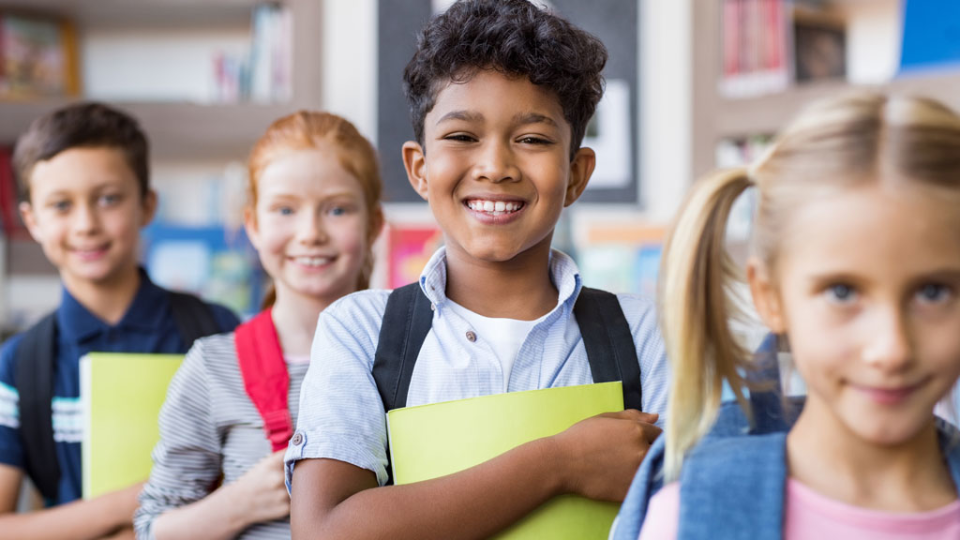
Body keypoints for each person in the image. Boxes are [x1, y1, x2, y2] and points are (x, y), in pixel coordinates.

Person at [286, 1, 669, 538]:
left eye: (532, 139)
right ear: (420, 169)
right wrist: (560, 463)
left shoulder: (644, 335)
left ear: (577, 174)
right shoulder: (361, 330)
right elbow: (326, 529)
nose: (495, 166)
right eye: (463, 137)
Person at [622, 92, 960, 540]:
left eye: (933, 292)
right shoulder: (690, 521)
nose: (891, 349)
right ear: (770, 296)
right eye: (842, 292)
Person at [134, 111, 384, 540]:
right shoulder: (212, 367)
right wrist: (237, 505)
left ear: (373, 224)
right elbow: (151, 529)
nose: (310, 233)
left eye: (337, 209)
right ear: (252, 224)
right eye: (285, 209)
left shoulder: (419, 350)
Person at [0, 102, 239, 540]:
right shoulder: (18, 365)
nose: (87, 224)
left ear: (147, 205)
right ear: (31, 220)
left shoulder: (219, 332)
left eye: (108, 198)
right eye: (61, 205)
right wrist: (134, 501)